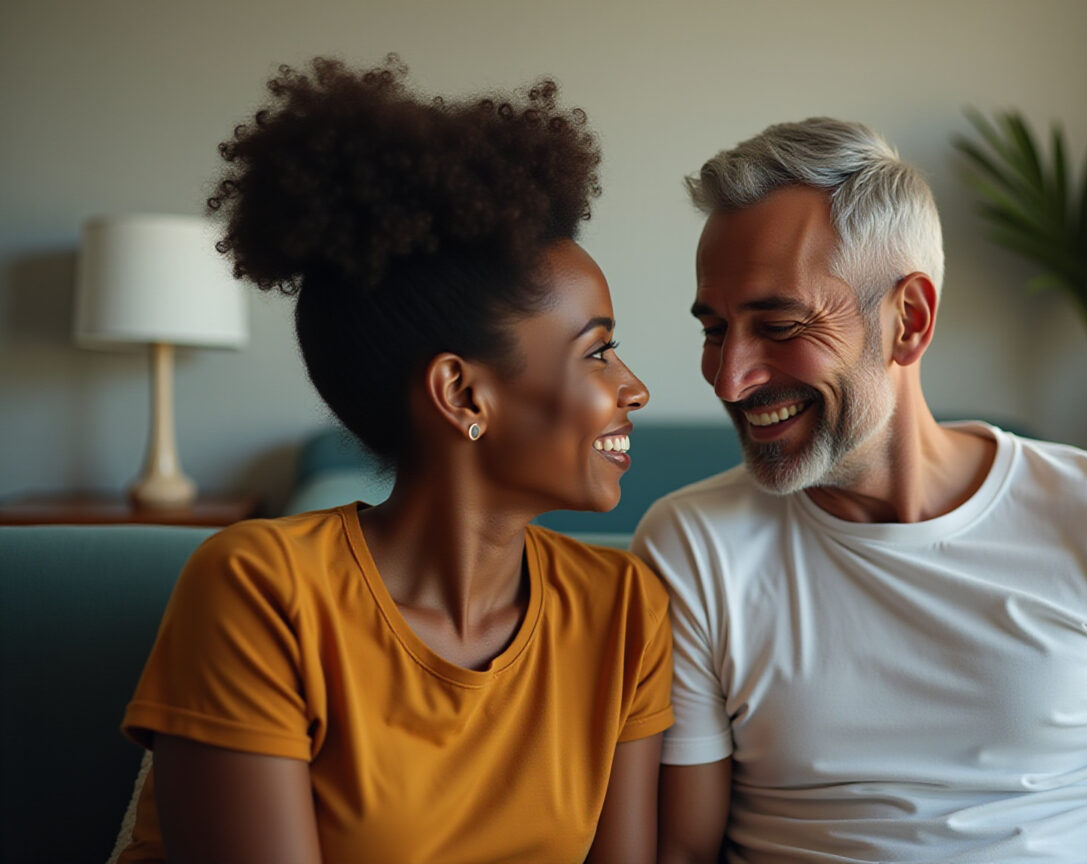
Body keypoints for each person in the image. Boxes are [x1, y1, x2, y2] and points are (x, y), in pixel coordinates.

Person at [635, 117, 1087, 863]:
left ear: (909, 321)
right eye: (714, 331)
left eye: (780, 325)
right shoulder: (691, 549)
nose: (730, 378)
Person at [116, 57, 671, 864]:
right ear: (462, 394)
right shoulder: (263, 591)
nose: (636, 389)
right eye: (599, 354)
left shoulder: (622, 611)